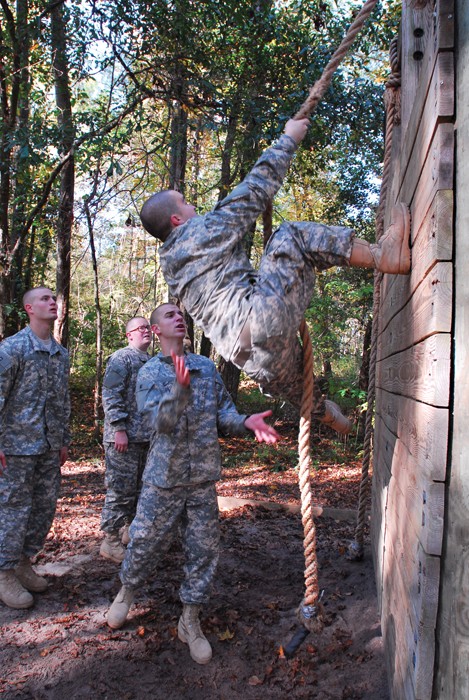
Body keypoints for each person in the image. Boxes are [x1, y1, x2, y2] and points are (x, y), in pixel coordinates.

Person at [139, 117, 411, 433]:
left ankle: (329, 417)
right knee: (288, 236)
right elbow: (252, 193)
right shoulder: (195, 233)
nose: (193, 207)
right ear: (176, 219)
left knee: (299, 384)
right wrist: (289, 140)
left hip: (251, 359)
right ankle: (384, 255)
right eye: (185, 204)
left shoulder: (171, 265)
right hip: (259, 320)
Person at [106, 302, 280, 665]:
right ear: (155, 330)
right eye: (169, 315)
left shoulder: (205, 367)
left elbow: (223, 413)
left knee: (203, 553)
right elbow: (160, 423)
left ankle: (190, 620)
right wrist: (180, 390)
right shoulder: (149, 372)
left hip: (202, 479)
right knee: (143, 545)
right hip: (163, 480)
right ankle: (126, 593)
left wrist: (245, 422)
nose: (178, 318)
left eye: (180, 314)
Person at [0, 287, 70, 609]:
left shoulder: (60, 354)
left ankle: (23, 562)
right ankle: (3, 571)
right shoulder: (12, 349)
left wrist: (63, 440)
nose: (52, 302)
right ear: (29, 308)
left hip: (47, 446)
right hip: (15, 446)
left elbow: (62, 401)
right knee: (13, 510)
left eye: (53, 298)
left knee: (44, 507)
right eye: (44, 299)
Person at [100, 316, 153, 563]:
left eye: (147, 327)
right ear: (129, 334)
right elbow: (110, 394)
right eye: (140, 328)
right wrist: (119, 428)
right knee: (120, 491)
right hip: (122, 438)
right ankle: (109, 540)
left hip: (145, 438)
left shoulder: (151, 361)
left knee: (140, 490)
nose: (146, 331)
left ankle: (127, 532)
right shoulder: (122, 358)